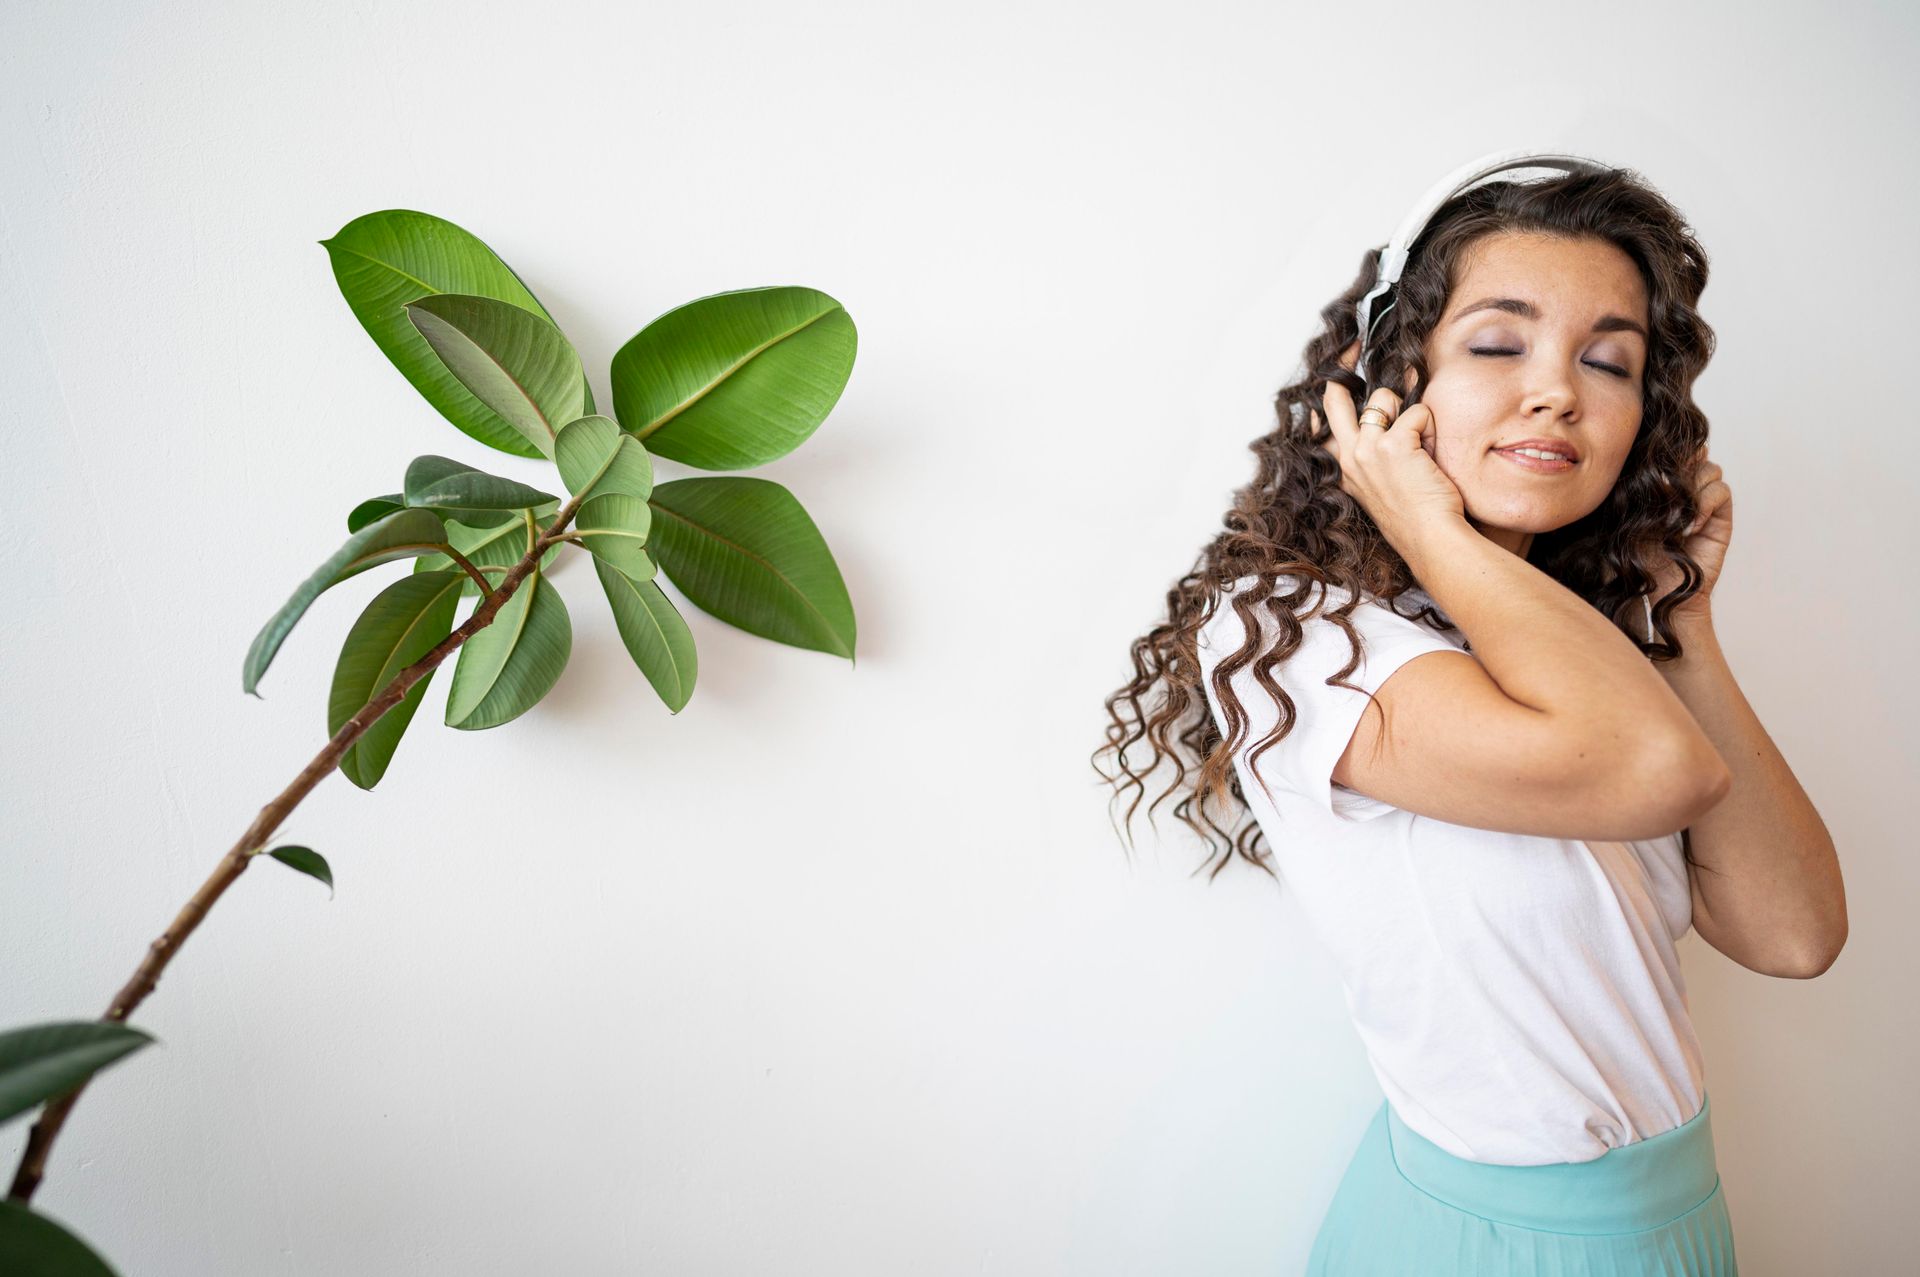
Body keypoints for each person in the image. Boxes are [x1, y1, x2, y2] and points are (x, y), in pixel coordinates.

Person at [1091, 159, 1845, 1274]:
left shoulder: (1585, 641)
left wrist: (1681, 614)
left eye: (1610, 361)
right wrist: (1422, 517)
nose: (1558, 392)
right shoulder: (1300, 633)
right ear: (1389, 379)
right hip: (1488, 1243)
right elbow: (1652, 769)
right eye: (1499, 344)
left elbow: (1797, 935)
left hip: (1677, 1215)